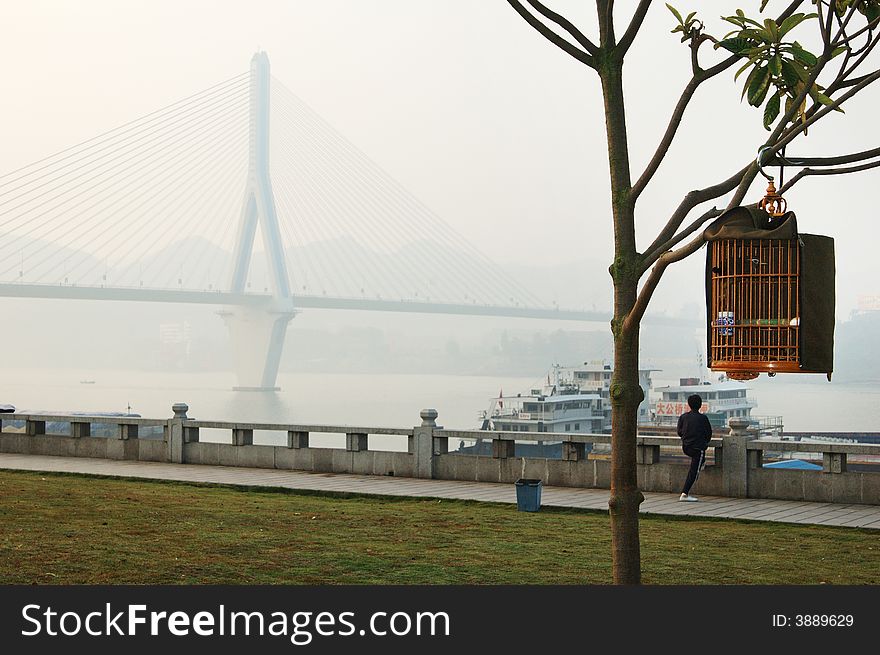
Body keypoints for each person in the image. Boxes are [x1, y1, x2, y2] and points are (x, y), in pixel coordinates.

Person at [676, 394, 712, 502]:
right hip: (698, 448)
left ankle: (702, 463)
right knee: (694, 471)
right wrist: (704, 442)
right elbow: (708, 433)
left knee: (699, 462)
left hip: (686, 447)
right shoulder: (703, 418)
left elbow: (679, 431)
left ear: (689, 404)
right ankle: (684, 494)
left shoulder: (683, 417)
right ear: (700, 405)